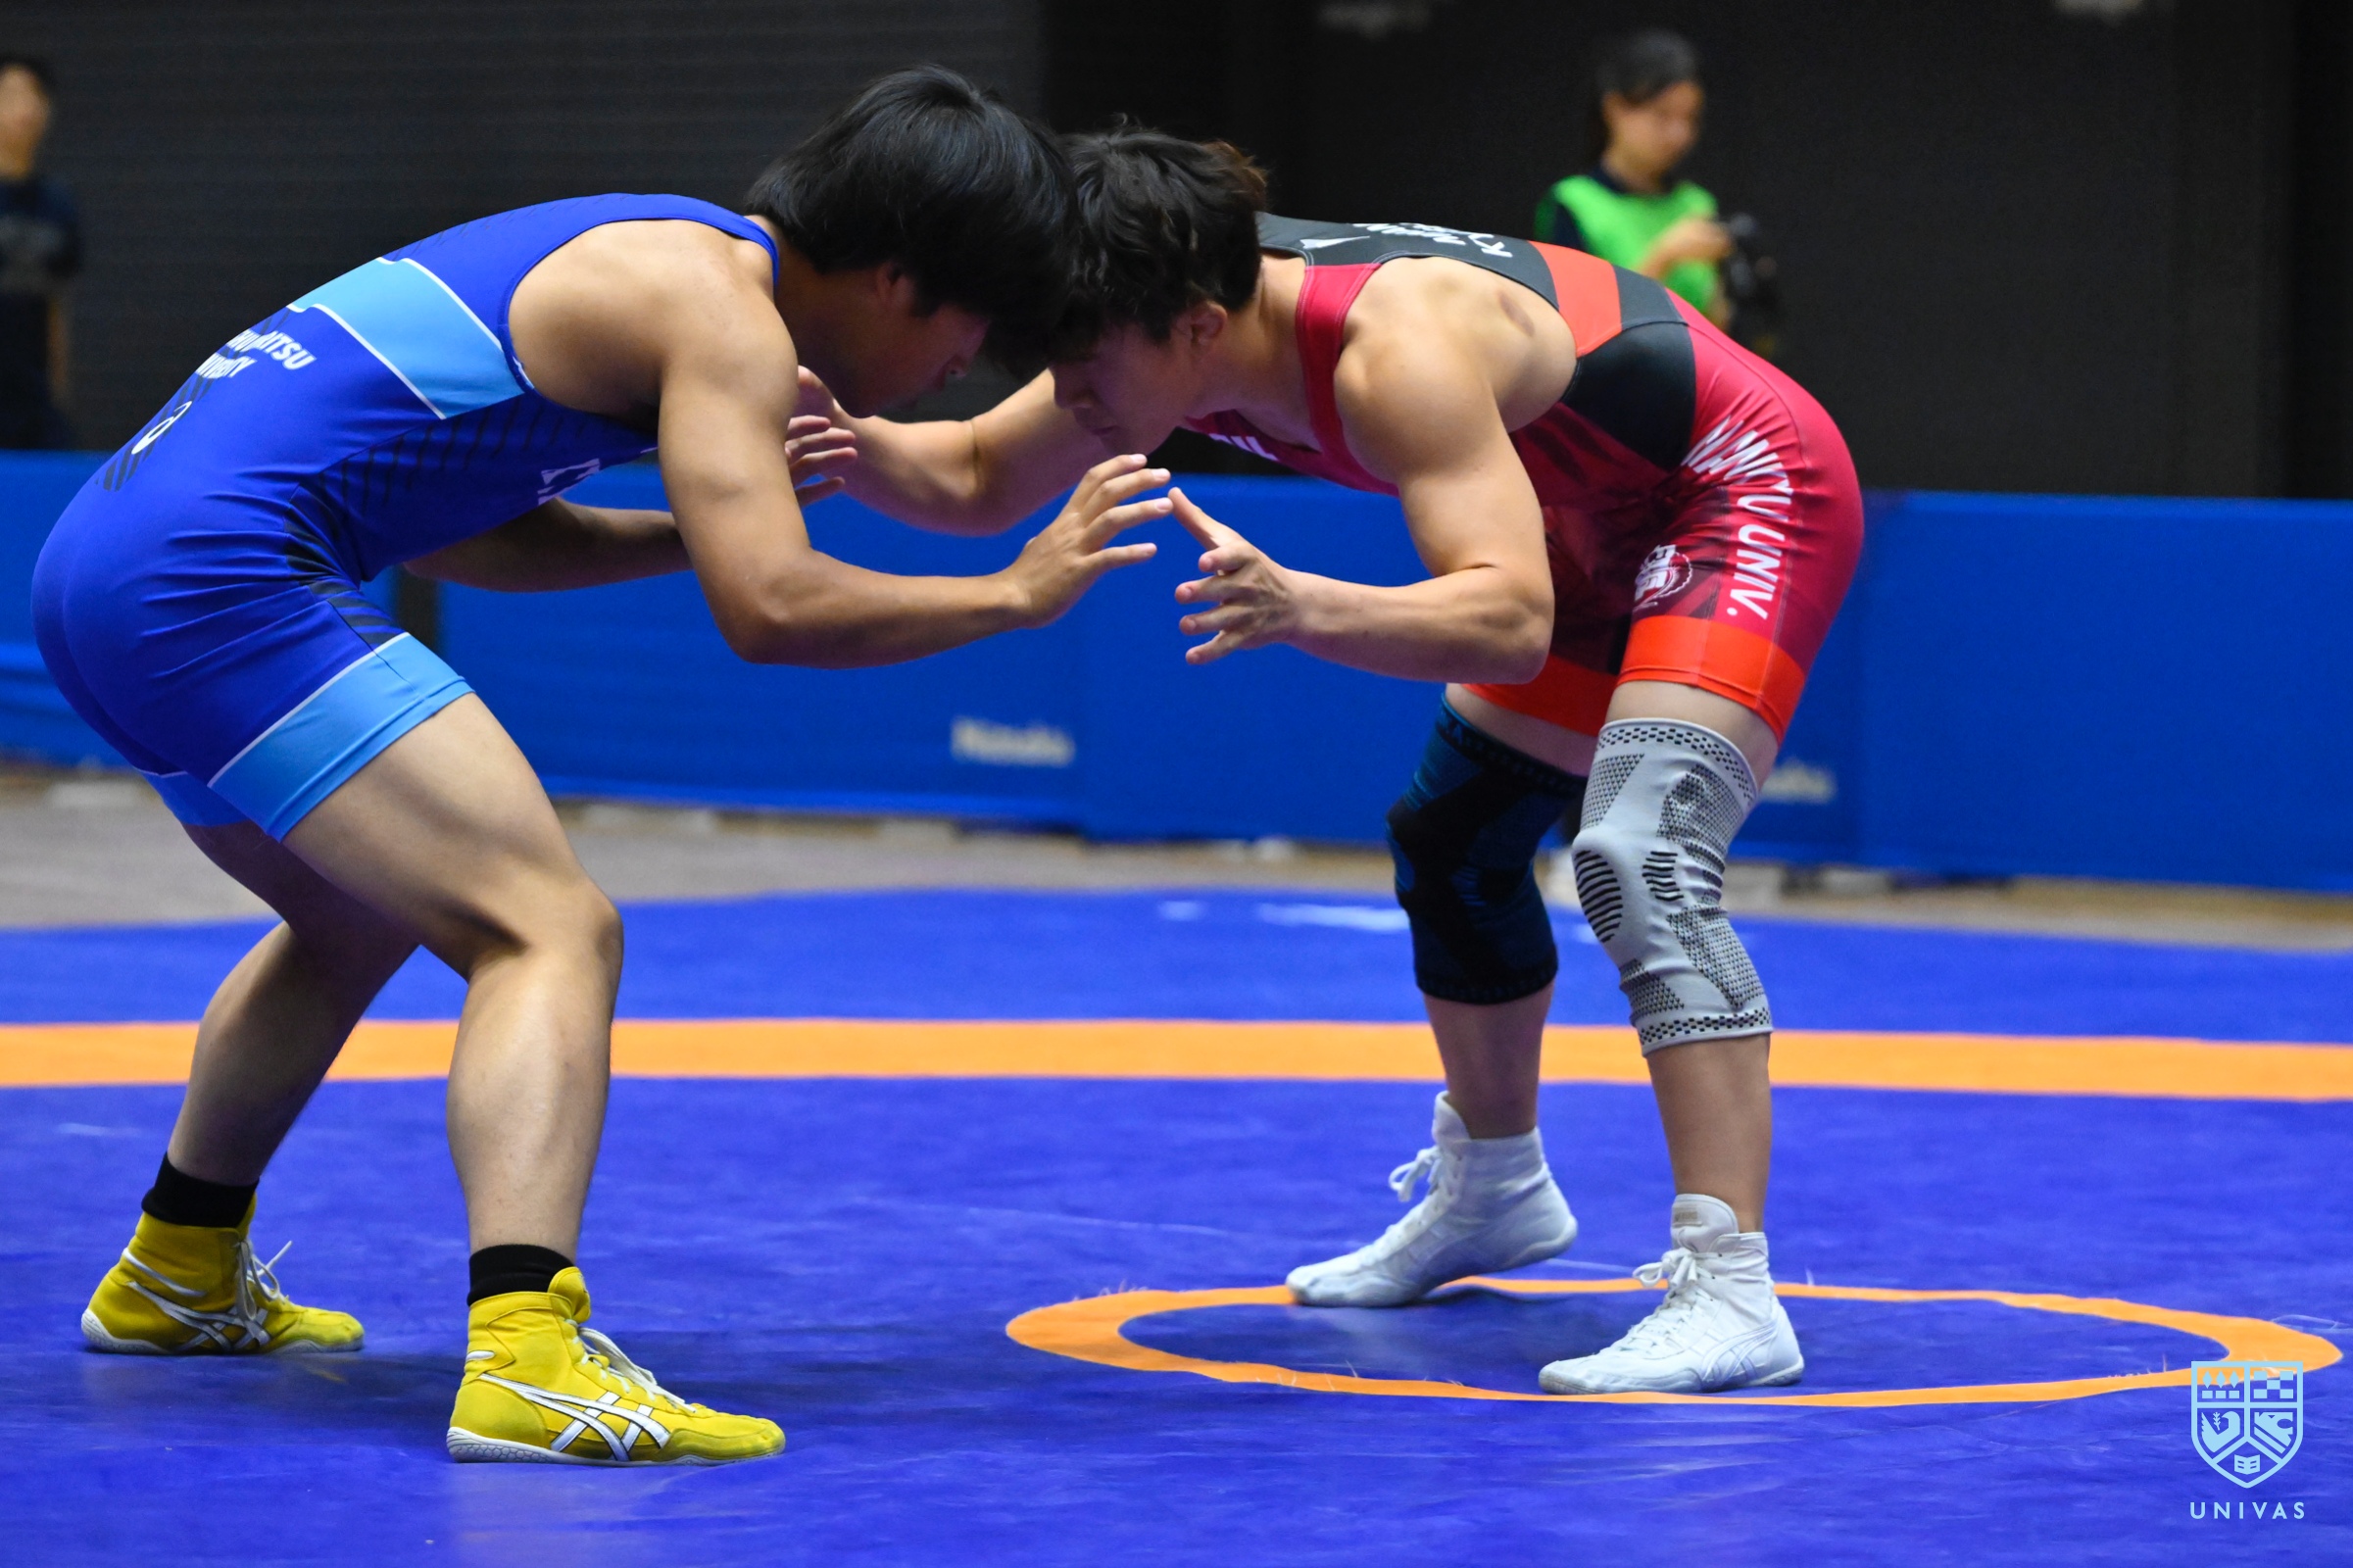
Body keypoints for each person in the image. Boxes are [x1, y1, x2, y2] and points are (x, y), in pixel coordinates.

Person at [33, 67, 1167, 1465]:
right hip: (213, 580)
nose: (963, 368)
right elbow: (775, 610)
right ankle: (529, 1354)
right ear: (894, 280)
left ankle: (176, 1270)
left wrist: (694, 529)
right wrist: (1012, 595)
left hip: (103, 565)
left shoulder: (650, 251)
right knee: (548, 926)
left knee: (355, 914)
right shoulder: (721, 315)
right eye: (972, 331)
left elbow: (456, 529)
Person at [806, 128, 1862, 1395]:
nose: (1067, 393)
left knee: (1640, 853)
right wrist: (835, 433)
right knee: (1454, 837)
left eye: (1082, 365)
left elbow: (1508, 619)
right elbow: (980, 475)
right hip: (1577, 518)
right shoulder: (1156, 308)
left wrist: (1302, 604)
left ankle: (1732, 1287)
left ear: (1199, 328)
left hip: (1735, 487)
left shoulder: (1390, 348)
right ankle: (1496, 1190)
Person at [1532, 29, 1732, 329]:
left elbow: (1718, 327)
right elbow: (1578, 327)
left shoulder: (1697, 203)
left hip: (1694, 360)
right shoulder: (1574, 204)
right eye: (1662, 115)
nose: (1679, 135)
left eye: (1690, 118)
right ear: (1614, 108)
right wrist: (1664, 257)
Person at [0, 53, 80, 448]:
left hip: (33, 402)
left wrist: (57, 394)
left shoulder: (57, 204)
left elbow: (56, 306)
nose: (26, 109)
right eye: (11, 95)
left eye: (35, 96)